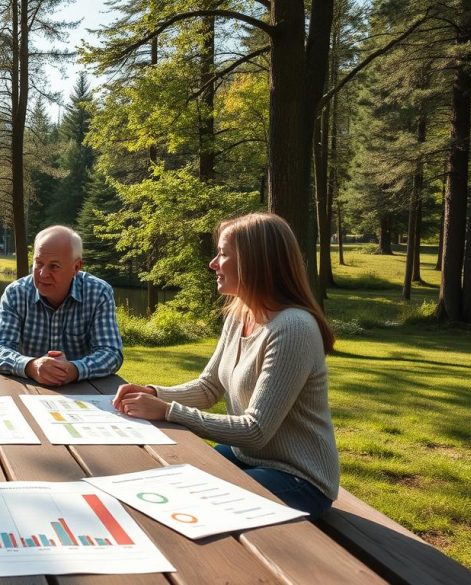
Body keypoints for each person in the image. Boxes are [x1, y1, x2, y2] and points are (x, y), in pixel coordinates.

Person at [113, 212, 339, 519]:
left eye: (223, 254)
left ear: (254, 261)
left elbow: (256, 430)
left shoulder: (293, 328)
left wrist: (167, 411)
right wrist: (155, 393)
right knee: (160, 478)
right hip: (246, 457)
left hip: (298, 477)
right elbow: (208, 387)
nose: (213, 263)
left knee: (189, 505)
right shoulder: (240, 313)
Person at [0, 225, 124, 386]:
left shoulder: (98, 292)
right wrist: (31, 366)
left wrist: (74, 369)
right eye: (38, 263)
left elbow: (111, 352)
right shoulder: (16, 293)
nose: (43, 274)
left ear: (76, 267)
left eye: (54, 266)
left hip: (83, 392)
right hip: (28, 389)